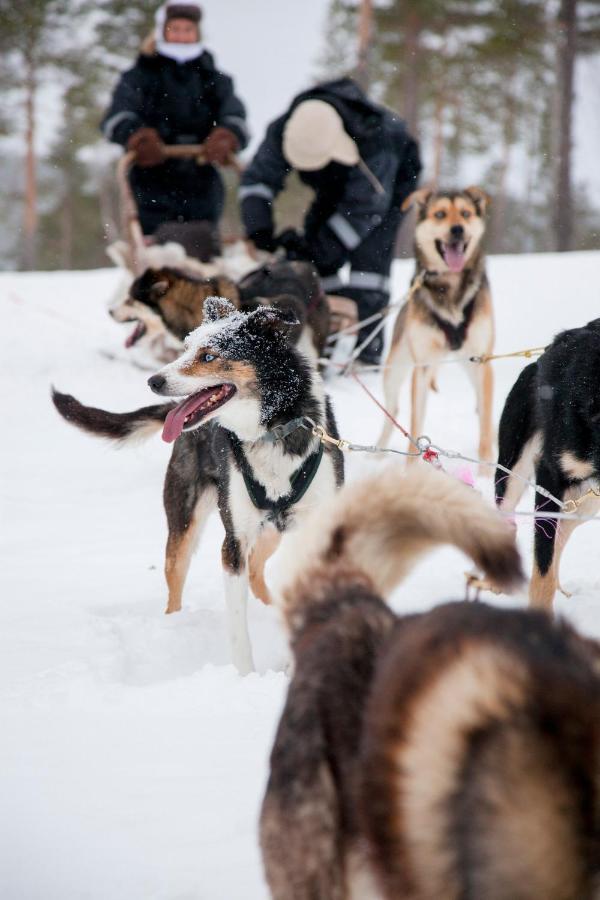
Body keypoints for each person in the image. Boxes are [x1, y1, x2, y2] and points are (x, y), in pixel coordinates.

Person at [240, 78, 421, 364]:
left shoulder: (377, 137)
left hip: (391, 184)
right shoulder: (283, 128)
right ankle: (327, 337)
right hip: (332, 184)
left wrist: (325, 246)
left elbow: (369, 206)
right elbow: (257, 180)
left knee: (368, 265)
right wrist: (258, 228)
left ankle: (365, 350)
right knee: (316, 254)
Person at [101, 0, 248, 259]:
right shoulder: (139, 77)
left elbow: (235, 116)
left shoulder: (213, 78)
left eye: (187, 30)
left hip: (201, 179)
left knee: (203, 248)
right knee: (158, 252)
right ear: (162, 32)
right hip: (151, 180)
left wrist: (226, 136)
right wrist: (137, 137)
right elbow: (116, 117)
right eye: (175, 29)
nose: (181, 36)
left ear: (197, 33)